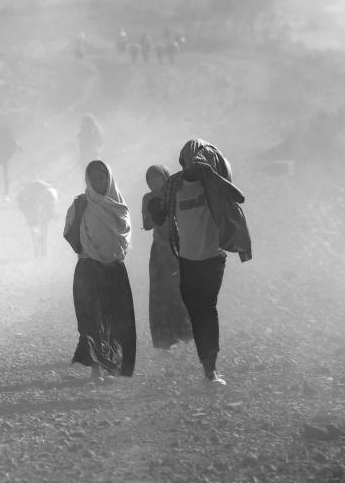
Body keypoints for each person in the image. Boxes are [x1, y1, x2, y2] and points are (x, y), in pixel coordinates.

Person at [147, 139, 252, 386]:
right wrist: (154, 209)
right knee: (195, 311)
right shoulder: (174, 184)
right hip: (185, 258)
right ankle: (207, 363)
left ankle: (211, 369)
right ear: (184, 162)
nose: (196, 163)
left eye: (200, 159)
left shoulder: (211, 183)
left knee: (207, 308)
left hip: (213, 258)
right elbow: (162, 214)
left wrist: (212, 176)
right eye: (192, 159)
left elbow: (239, 197)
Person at [63, 160, 136, 381]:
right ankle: (95, 369)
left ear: (109, 178)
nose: (98, 181)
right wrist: (89, 251)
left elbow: (124, 236)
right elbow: (69, 233)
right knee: (91, 320)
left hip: (114, 269)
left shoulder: (118, 205)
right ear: (88, 180)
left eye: (102, 177)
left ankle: (113, 364)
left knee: (116, 320)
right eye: (94, 178)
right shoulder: (81, 204)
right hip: (89, 269)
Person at [142, 164, 192, 351]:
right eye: (150, 179)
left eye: (157, 177)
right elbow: (146, 225)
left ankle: (186, 334)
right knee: (159, 295)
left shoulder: (175, 194)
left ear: (165, 178)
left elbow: (183, 219)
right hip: (159, 251)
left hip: (178, 248)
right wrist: (152, 211)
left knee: (179, 291)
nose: (154, 182)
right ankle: (164, 340)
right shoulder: (148, 198)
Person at [16, 180, 58, 259]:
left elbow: (21, 204)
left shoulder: (28, 191)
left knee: (37, 219)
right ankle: (50, 216)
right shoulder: (35, 189)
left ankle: (35, 227)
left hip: (34, 208)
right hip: (34, 208)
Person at [0, 114, 21, 201]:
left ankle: (4, 195)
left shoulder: (0, 130)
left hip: (1, 155)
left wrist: (18, 146)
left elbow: (11, 140)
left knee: (1, 175)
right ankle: (0, 195)